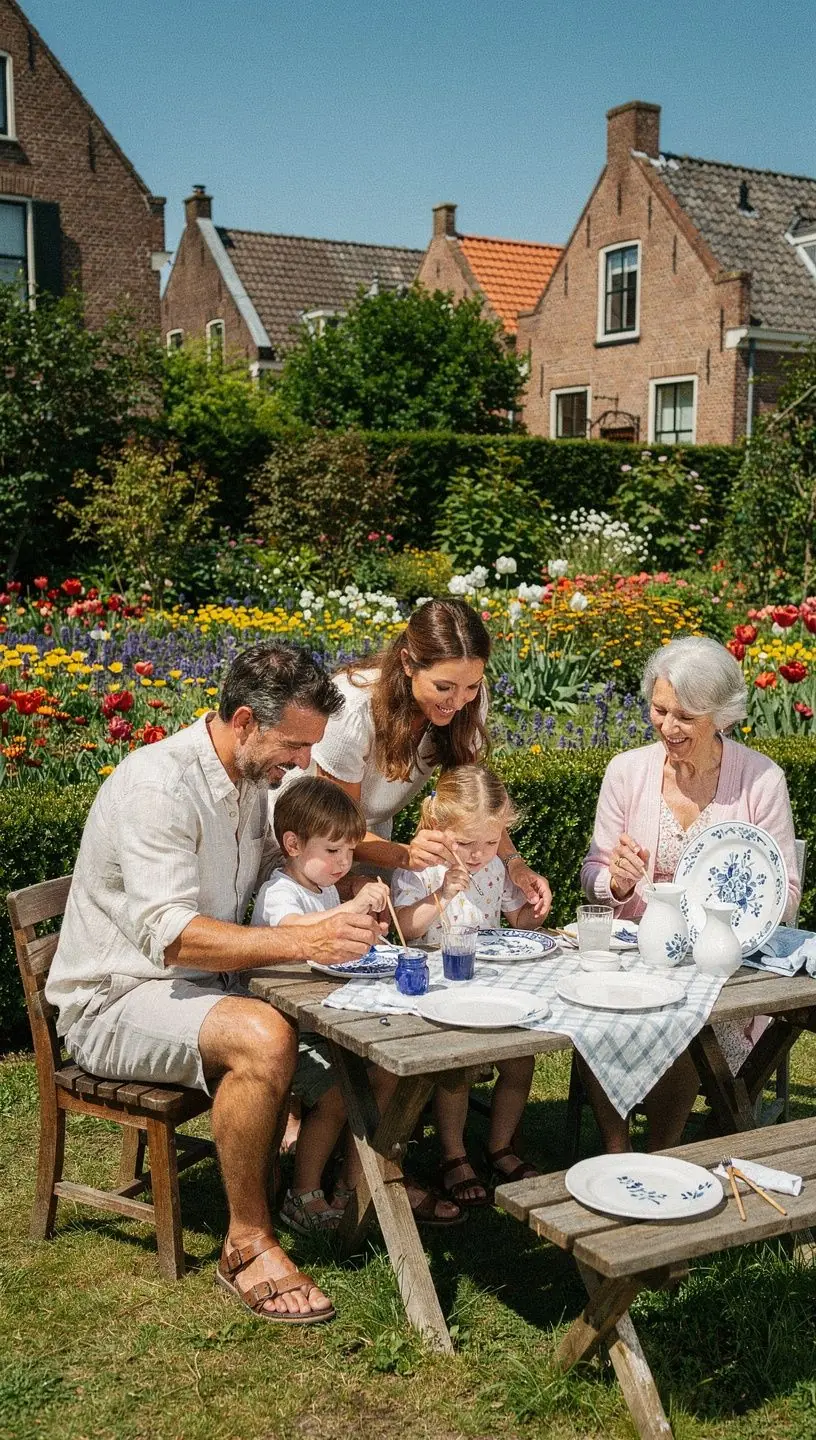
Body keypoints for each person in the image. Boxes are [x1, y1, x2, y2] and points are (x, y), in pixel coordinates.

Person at [46, 641, 383, 1325]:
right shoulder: (157, 786)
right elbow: (171, 936)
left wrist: (338, 900)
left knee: (360, 1011)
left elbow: (270, 873)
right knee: (262, 1034)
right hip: (112, 1001)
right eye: (294, 748)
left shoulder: (250, 781)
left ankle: (322, 1179)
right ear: (242, 723)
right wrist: (302, 939)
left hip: (199, 990)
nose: (301, 766)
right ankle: (247, 1243)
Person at [580, 634, 800, 1153]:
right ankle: (616, 1149)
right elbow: (593, 872)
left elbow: (785, 891)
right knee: (593, 1016)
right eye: (659, 710)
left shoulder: (761, 779)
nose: (667, 727)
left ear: (721, 716)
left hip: (721, 967)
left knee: (680, 1026)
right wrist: (615, 881)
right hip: (638, 952)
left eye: (685, 717)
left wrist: (740, 917)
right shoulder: (627, 771)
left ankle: (663, 1150)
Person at [252, 775, 463, 1229]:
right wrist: (351, 910)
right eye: (333, 852)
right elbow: (294, 933)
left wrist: (365, 929)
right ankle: (302, 1192)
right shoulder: (280, 893)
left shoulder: (324, 888)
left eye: (350, 852)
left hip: (325, 1018)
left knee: (387, 1073)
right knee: (336, 1094)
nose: (343, 863)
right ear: (292, 844)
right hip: (285, 1030)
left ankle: (355, 1181)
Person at [303, 598, 553, 912]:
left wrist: (514, 864)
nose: (458, 701)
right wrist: (405, 856)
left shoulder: (469, 704)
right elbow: (335, 828)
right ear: (408, 662)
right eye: (444, 686)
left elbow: (473, 802)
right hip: (311, 838)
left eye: (472, 686)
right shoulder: (353, 708)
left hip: (375, 837)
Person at [392, 764, 545, 1204]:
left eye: (490, 842)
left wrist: (534, 903)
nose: (478, 854)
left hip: (488, 985)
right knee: (456, 1071)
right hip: (437, 990)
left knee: (522, 1061)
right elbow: (402, 927)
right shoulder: (421, 870)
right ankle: (454, 1154)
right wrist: (442, 894)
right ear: (439, 829)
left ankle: (499, 1145)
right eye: (465, 844)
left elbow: (517, 918)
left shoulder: (496, 867)